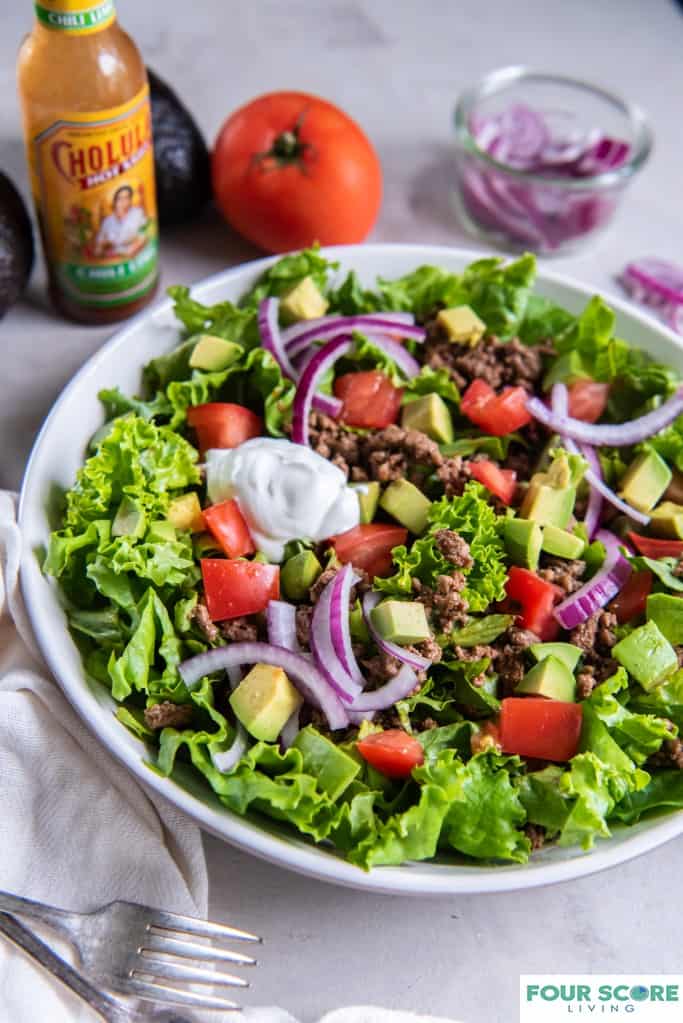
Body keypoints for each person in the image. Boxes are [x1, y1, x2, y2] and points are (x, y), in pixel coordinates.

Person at [94, 184, 147, 258]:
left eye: (126, 198)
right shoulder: (107, 221)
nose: (122, 201)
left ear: (130, 200)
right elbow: (100, 240)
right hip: (113, 252)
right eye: (119, 198)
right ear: (114, 201)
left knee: (143, 238)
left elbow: (144, 231)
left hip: (132, 250)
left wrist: (136, 242)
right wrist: (101, 246)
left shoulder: (137, 212)